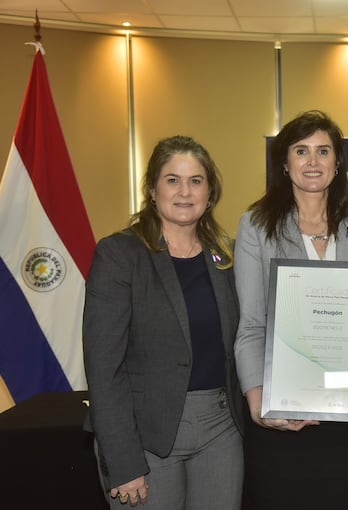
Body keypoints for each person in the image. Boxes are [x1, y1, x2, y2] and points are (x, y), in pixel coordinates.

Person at [234, 110, 348, 510]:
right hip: (284, 413)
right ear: (285, 164)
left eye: (323, 151)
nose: (312, 162)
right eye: (301, 151)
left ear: (338, 162)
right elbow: (252, 325)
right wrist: (260, 404)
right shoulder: (256, 226)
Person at [83, 135, 245, 509]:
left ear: (210, 191)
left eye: (196, 180)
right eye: (172, 180)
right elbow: (103, 367)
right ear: (153, 190)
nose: (185, 191)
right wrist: (122, 462)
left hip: (221, 431)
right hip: (145, 436)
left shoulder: (229, 256)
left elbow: (259, 328)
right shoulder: (119, 254)